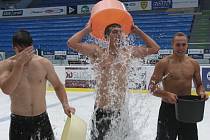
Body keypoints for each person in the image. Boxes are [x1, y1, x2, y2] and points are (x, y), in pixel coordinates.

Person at [67, 23, 160, 140]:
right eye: (115, 32)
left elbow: (155, 48)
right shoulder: (98, 52)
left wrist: (137, 31)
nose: (119, 34)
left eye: (120, 32)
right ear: (106, 37)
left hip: (120, 112)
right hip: (102, 111)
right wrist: (87, 29)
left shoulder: (128, 53)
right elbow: (71, 43)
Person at [0, 30, 75, 140]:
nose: (24, 55)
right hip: (19, 121)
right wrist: (18, 65)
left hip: (41, 119)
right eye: (20, 51)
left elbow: (58, 85)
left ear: (32, 47)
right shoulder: (5, 65)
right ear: (13, 48)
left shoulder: (43, 64)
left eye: (27, 51)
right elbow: (7, 89)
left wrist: (65, 105)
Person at [149, 32, 209, 140]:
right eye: (178, 44)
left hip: (187, 109)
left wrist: (201, 92)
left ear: (187, 45)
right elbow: (151, 87)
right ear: (172, 44)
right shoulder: (163, 64)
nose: (181, 47)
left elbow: (199, 85)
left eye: (183, 44)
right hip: (168, 110)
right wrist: (166, 94)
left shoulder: (193, 64)